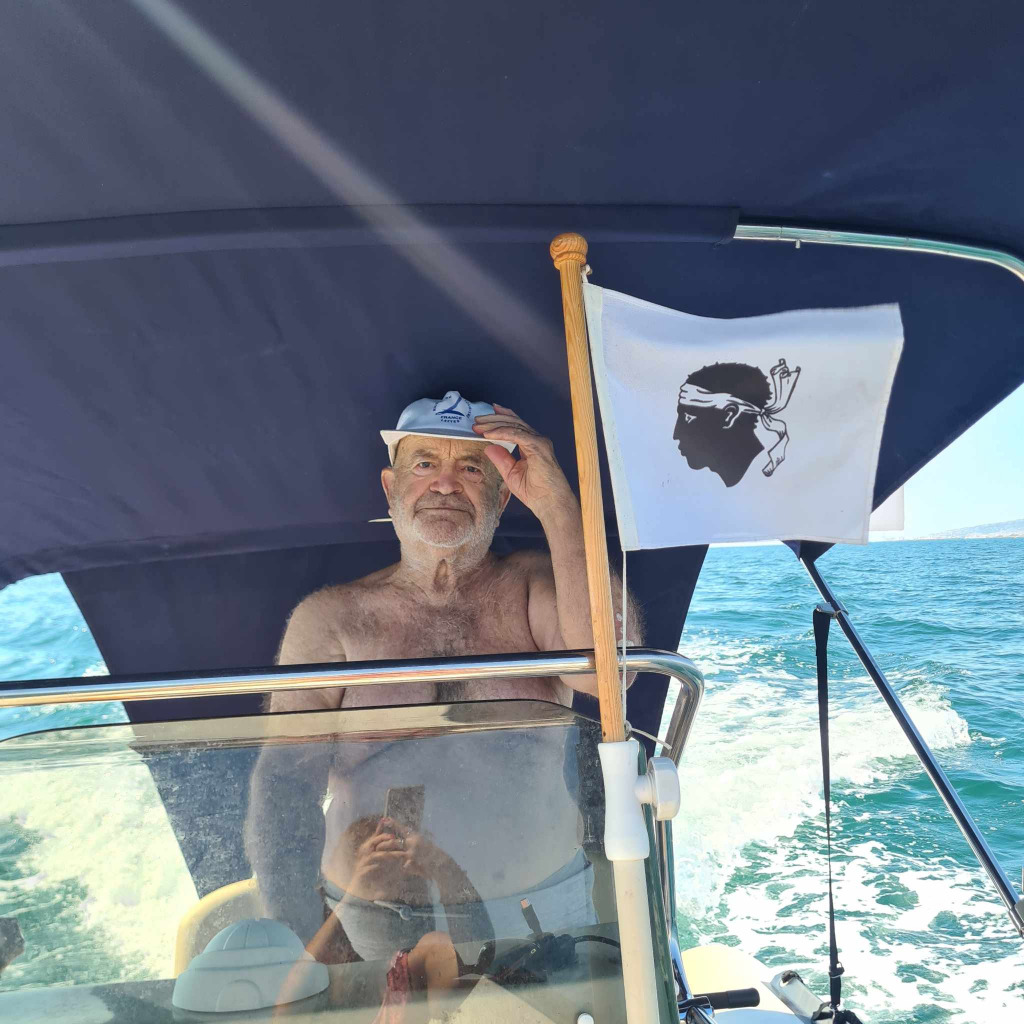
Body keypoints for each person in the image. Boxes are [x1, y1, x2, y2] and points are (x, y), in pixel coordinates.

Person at [245, 390, 639, 971]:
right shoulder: (332, 619)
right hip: (371, 921)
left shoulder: (535, 592)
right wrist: (308, 937)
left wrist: (556, 504)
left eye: (472, 468)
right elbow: (283, 785)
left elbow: (611, 677)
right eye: (424, 463)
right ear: (390, 487)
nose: (446, 484)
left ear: (504, 495)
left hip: (535, 914)